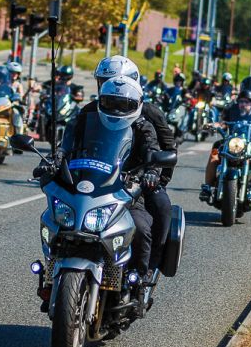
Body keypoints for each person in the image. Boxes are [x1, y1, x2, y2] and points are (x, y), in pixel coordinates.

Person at [36, 76, 160, 279]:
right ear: (101, 101)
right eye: (110, 103)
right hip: (86, 185)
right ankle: (52, 269)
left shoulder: (143, 128)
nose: (117, 109)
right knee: (53, 218)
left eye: (124, 104)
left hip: (126, 191)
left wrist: (152, 173)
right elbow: (65, 146)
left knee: (141, 228)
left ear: (137, 105)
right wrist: (54, 160)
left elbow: (153, 154)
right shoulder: (84, 119)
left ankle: (139, 281)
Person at [88, 56, 176, 275]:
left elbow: (167, 147)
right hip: (98, 179)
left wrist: (156, 178)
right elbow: (71, 143)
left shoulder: (149, 114)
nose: (107, 86)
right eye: (103, 81)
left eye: (114, 80)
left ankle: (149, 269)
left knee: (161, 208)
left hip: (138, 180)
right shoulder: (92, 110)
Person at [200, 77, 251, 204]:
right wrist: (213, 125)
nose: (243, 104)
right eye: (241, 101)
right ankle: (207, 187)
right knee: (215, 153)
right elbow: (223, 123)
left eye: (247, 102)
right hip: (233, 141)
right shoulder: (232, 109)